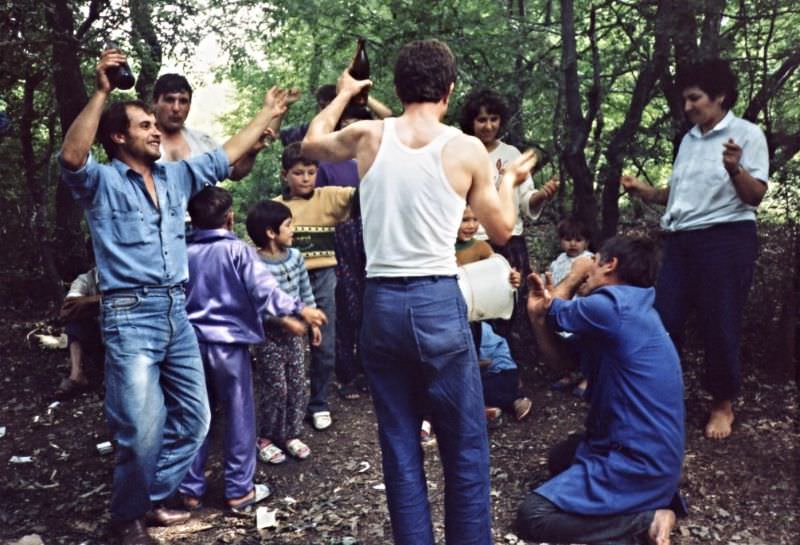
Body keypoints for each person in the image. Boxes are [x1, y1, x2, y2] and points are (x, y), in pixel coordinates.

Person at [302, 39, 537, 545]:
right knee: (464, 446)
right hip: (435, 302)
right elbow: (499, 231)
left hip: (380, 305)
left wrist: (344, 94)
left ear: (398, 87)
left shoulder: (367, 134)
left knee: (401, 445)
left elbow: (311, 143)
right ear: (449, 91)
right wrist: (512, 180)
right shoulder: (466, 147)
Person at [58, 47, 291, 545]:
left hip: (176, 311)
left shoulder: (175, 176)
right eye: (145, 125)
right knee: (141, 432)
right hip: (129, 315)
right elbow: (73, 158)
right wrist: (102, 90)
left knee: (196, 418)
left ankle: (141, 502)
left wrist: (267, 113)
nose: (156, 130)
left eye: (154, 124)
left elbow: (226, 156)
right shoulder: (101, 182)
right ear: (119, 136)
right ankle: (127, 519)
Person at [621, 58, 769, 440]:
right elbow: (678, 196)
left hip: (725, 238)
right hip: (679, 240)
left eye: (695, 98)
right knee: (663, 319)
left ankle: (722, 404)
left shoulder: (747, 134)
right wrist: (644, 192)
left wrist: (736, 169)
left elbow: (755, 197)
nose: (687, 107)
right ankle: (661, 399)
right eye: (684, 100)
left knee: (718, 321)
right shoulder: (688, 140)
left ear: (720, 96)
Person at [517, 236, 685, 545]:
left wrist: (574, 274)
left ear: (610, 264)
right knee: (561, 458)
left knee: (534, 515)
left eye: (594, 262)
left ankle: (644, 521)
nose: (588, 267)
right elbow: (562, 363)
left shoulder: (614, 305)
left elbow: (553, 307)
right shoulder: (625, 311)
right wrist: (537, 319)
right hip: (646, 454)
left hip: (636, 459)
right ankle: (652, 500)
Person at [177, 187, 324, 513]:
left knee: (195, 417)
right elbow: (264, 291)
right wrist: (299, 308)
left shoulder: (182, 252)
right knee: (239, 417)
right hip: (229, 348)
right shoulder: (238, 251)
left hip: (189, 347)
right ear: (229, 218)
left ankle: (189, 490)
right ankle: (239, 491)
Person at [458, 89, 558, 361]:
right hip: (472, 241)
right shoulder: (461, 151)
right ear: (471, 122)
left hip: (510, 240)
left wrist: (542, 196)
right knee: (474, 305)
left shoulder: (511, 153)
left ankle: (509, 368)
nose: (488, 125)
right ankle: (475, 367)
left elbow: (526, 200)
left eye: (493, 119)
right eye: (481, 120)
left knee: (509, 303)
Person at [273, 142, 356, 431]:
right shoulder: (276, 207)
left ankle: (319, 402)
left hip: (323, 277)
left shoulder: (330, 197)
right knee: (287, 341)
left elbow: (363, 195)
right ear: (285, 174)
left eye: (311, 172)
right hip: (288, 280)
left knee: (325, 341)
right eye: (298, 173)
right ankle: (286, 403)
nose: (306, 178)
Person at [246, 200, 319, 464]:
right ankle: (266, 436)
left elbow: (305, 291)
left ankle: (290, 434)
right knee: (276, 387)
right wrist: (283, 321)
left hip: (296, 335)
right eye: (288, 225)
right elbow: (256, 302)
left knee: (298, 384)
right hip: (267, 337)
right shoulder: (253, 261)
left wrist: (313, 324)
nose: (293, 230)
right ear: (270, 232)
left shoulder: (297, 257)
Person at [315, 103, 373, 400]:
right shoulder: (327, 163)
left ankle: (367, 370)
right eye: (346, 123)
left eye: (358, 123)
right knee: (344, 305)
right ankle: (345, 373)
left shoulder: (373, 158)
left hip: (372, 236)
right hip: (340, 238)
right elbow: (320, 204)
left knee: (370, 304)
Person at [152, 73, 284, 178]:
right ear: (155, 103)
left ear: (189, 106)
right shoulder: (139, 141)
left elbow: (235, 172)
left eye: (183, 101)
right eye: (169, 100)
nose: (176, 108)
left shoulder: (202, 141)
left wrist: (251, 153)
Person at [547, 216, 593, 397]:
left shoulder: (589, 259)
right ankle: (570, 373)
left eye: (578, 240)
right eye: (567, 239)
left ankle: (588, 377)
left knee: (585, 344)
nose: (573, 244)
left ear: (587, 242)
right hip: (561, 310)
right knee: (565, 345)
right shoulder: (558, 261)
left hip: (581, 310)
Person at [56, 242, 103, 399]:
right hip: (97, 338)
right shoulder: (86, 280)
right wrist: (102, 300)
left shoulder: (128, 275)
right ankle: (76, 375)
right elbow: (67, 310)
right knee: (74, 323)